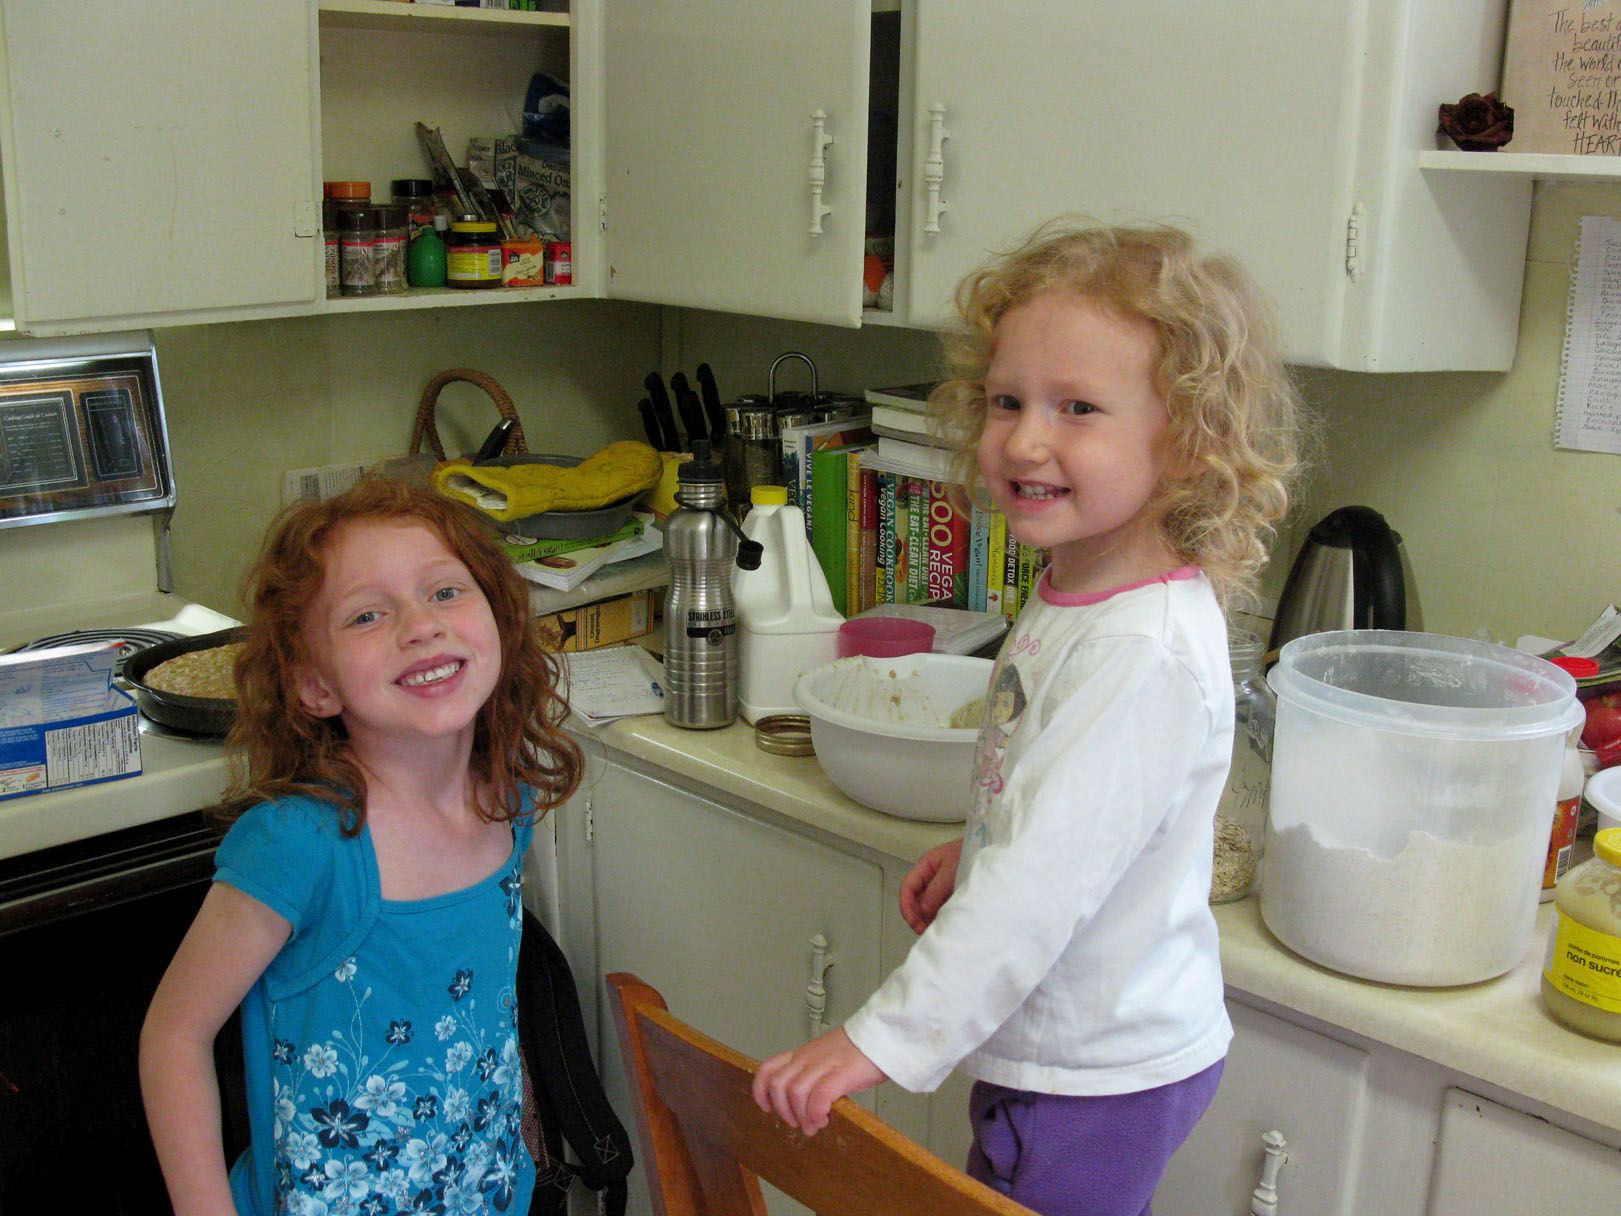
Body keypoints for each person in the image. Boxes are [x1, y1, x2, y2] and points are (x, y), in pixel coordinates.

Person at [752, 222, 1302, 1216]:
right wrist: (982, 846)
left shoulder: (1138, 650)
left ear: (1186, 442)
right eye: (1007, 401)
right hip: (1063, 1045)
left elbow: (1040, 887)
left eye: (1076, 408)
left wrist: (872, 1040)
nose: (1023, 440)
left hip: (1095, 1070)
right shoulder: (1077, 585)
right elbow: (1068, 815)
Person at [140, 476, 582, 1216]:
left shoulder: (508, 800)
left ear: (500, 623)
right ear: (315, 685)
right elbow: (174, 1036)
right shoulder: (302, 843)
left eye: (445, 592)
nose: (421, 626)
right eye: (367, 615)